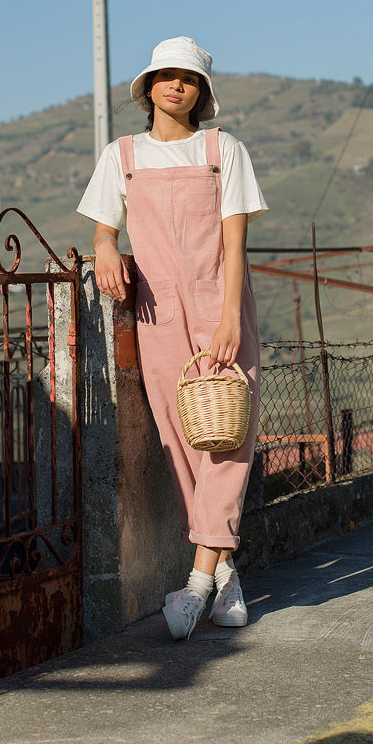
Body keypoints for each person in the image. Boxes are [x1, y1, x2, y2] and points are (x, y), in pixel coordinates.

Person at [77, 36, 268, 640]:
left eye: (189, 78)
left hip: (220, 305)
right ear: (150, 85)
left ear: (202, 92)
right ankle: (225, 573)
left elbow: (235, 242)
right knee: (182, 441)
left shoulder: (224, 150)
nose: (176, 85)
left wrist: (231, 317)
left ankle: (195, 586)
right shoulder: (121, 155)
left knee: (229, 438)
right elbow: (104, 229)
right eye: (167, 75)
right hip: (157, 316)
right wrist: (107, 249)